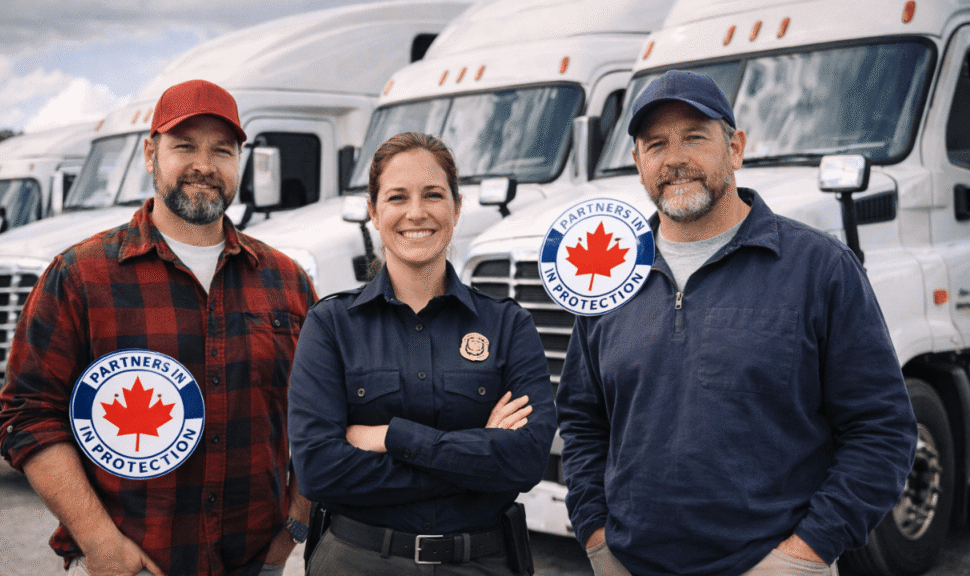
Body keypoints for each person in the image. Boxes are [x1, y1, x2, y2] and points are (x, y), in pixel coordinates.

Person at [556, 70, 918, 576]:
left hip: (775, 565)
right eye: (655, 144)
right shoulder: (608, 274)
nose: (675, 158)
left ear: (735, 147)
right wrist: (596, 536)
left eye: (695, 137)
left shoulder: (819, 268)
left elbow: (881, 429)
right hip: (630, 565)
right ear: (638, 163)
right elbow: (582, 421)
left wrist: (807, 553)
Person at [0, 79, 316, 576]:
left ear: (239, 163)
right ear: (150, 154)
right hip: (134, 563)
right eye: (184, 146)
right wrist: (100, 542)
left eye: (222, 151)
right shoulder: (81, 276)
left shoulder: (287, 282)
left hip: (256, 562)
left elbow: (323, 415)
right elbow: (28, 414)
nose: (204, 165)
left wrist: (295, 525)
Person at [287, 132, 556, 575]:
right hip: (358, 563)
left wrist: (390, 437)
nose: (416, 213)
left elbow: (524, 462)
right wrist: (476, 458)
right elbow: (319, 471)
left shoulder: (507, 325)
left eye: (433, 194)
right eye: (397, 197)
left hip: (480, 564)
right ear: (374, 211)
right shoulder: (330, 325)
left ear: (456, 206)